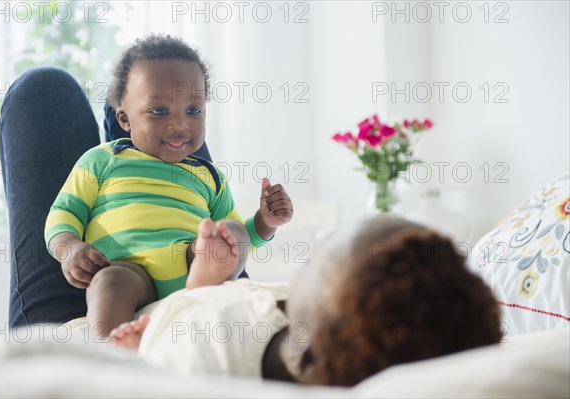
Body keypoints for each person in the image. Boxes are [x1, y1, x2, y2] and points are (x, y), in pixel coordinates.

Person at [41, 34, 293, 337]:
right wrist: (69, 248)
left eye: (193, 110)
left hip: (191, 263)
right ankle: (111, 348)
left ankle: (203, 286)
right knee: (107, 283)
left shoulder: (209, 176)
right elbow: (64, 212)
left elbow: (244, 238)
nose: (179, 125)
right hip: (128, 269)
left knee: (231, 234)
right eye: (159, 112)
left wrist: (266, 222)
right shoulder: (102, 159)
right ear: (124, 119)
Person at [108, 217, 503, 386]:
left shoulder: (203, 365)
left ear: (301, 354)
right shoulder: (312, 328)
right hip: (204, 290)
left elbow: (152, 368)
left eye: (313, 259)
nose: (301, 263)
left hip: (148, 300)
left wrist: (139, 347)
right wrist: (210, 281)